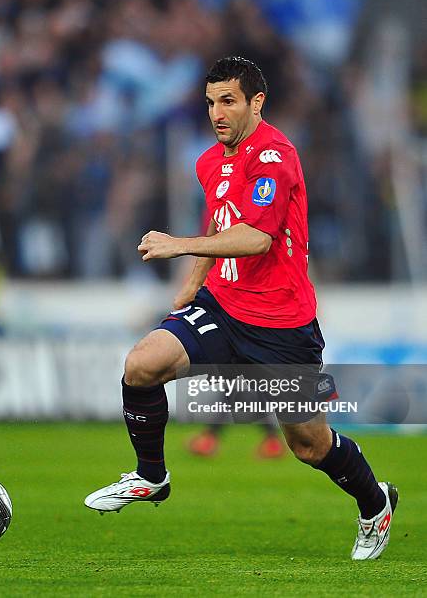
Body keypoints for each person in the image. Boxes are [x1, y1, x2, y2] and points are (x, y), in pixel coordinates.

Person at [84, 57, 397, 560]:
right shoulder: (211, 162)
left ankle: (375, 502)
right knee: (141, 365)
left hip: (281, 325)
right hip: (223, 308)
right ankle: (151, 476)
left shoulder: (275, 157)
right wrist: (191, 285)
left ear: (257, 102)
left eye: (228, 100)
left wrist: (176, 246)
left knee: (310, 446)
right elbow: (219, 225)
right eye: (210, 102)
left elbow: (254, 239)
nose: (217, 112)